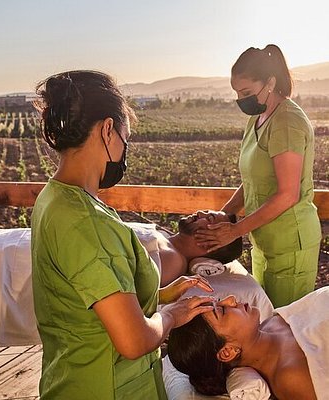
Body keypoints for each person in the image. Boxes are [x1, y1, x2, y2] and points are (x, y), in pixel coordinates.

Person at [31, 70, 216, 400]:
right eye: (124, 137)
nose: (124, 148)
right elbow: (134, 342)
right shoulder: (85, 222)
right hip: (108, 386)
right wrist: (171, 316)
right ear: (107, 130)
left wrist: (162, 294)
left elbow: (89, 296)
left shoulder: (54, 198)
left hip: (70, 378)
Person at [195, 44, 321, 308]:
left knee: (283, 326)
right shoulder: (258, 118)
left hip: (289, 242)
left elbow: (288, 194)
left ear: (271, 83)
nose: (241, 99)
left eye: (246, 92)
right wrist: (225, 215)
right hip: (263, 238)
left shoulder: (287, 121)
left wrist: (235, 230)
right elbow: (253, 180)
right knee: (263, 317)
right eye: (237, 93)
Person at [167, 287, 329, 400]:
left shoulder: (270, 325)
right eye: (221, 310)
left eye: (218, 300)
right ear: (227, 352)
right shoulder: (291, 378)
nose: (230, 299)